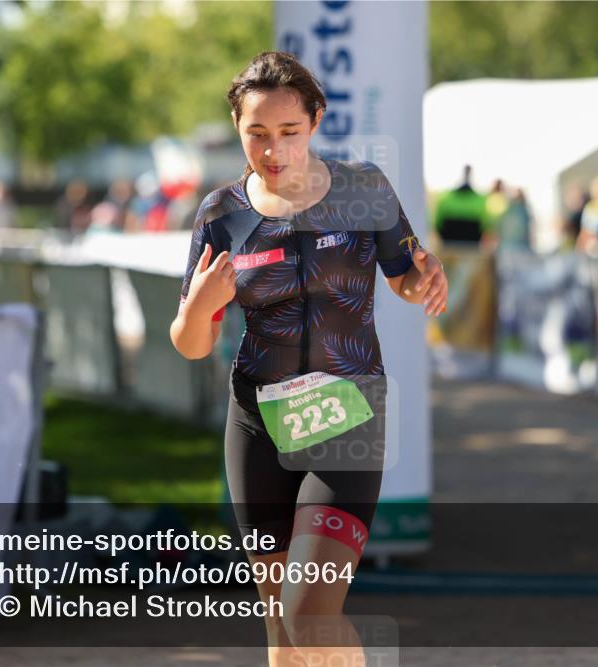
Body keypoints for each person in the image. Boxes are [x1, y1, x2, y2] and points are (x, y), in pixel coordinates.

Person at [169, 51, 448, 667]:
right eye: (257, 134)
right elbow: (191, 342)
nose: (273, 150)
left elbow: (405, 273)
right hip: (256, 423)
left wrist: (424, 278)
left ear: (315, 121)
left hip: (346, 417)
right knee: (280, 632)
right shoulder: (222, 214)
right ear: (237, 129)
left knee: (309, 615)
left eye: (289, 133)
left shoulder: (364, 188)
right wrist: (201, 309)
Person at [433, 164, 486, 244]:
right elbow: (485, 225)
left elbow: (438, 224)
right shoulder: (480, 201)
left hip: (449, 245)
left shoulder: (446, 199)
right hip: (470, 246)